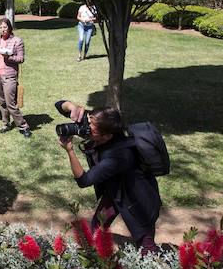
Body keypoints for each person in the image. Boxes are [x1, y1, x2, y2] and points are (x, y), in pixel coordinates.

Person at [55, 101, 161, 254]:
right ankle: (95, 263)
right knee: (97, 227)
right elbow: (59, 105)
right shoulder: (98, 121)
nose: (86, 130)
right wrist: (71, 107)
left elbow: (84, 180)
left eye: (91, 130)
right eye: (88, 123)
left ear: (107, 136)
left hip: (139, 200)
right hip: (115, 191)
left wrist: (70, 150)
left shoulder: (118, 156)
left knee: (146, 246)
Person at [0, 17, 31, 138]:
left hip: (9, 76)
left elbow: (21, 59)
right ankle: (6, 124)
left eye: (5, 27)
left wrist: (8, 57)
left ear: (9, 28)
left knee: (10, 103)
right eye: (0, 27)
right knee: (1, 102)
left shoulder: (17, 41)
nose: (3, 30)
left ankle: (23, 126)